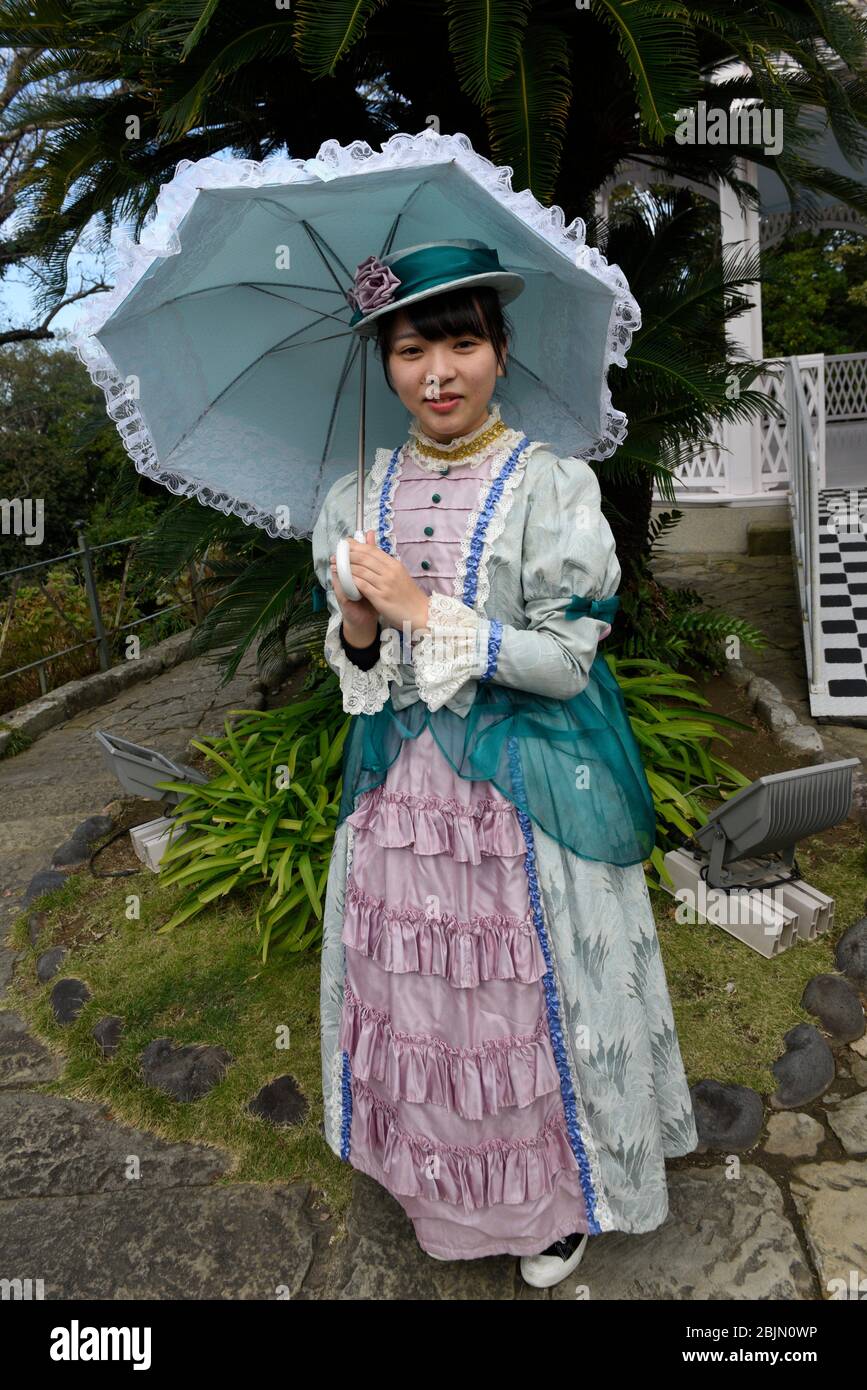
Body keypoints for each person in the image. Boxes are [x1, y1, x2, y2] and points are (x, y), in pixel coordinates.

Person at [311, 240, 698, 1288]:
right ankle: (442, 1183)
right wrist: (356, 624)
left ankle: (549, 1205)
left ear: (500, 347)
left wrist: (426, 612)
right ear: (383, 363)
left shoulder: (552, 487)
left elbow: (570, 665)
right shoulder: (355, 501)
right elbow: (363, 680)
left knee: (527, 1000)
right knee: (426, 998)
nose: (437, 372)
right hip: (404, 806)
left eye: (462, 342)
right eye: (409, 349)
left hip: (525, 793)